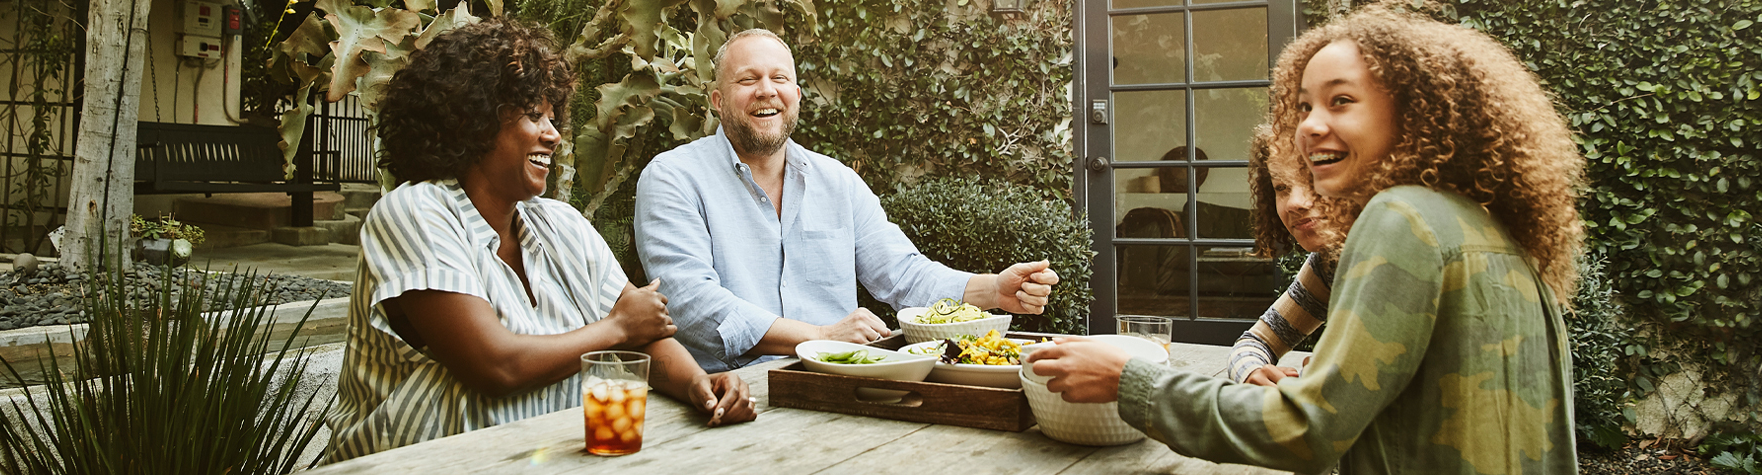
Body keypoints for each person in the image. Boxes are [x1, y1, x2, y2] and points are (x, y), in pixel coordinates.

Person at [1028, 7, 1583, 473]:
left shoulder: (1402, 218)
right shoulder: (1480, 223)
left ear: (1416, 108)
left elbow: (1305, 431)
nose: (1311, 125)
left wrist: (1129, 379)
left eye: (1340, 101)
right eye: (1304, 106)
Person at [322, 19, 754, 463]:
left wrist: (697, 384)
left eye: (553, 116)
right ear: (472, 120)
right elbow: (496, 365)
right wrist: (616, 328)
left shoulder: (560, 225)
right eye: (533, 115)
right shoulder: (415, 213)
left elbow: (644, 335)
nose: (552, 133)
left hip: (542, 460)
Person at [634, 29, 1061, 372]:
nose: (766, 90)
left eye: (779, 79)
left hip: (836, 385)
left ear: (796, 96)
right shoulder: (673, 177)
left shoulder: (837, 182)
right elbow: (690, 303)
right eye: (748, 80)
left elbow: (903, 274)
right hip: (722, 395)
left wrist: (994, 290)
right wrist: (818, 336)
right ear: (717, 101)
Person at [1226, 126, 1348, 387]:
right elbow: (1255, 341)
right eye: (1281, 187)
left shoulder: (1401, 257)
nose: (1294, 202)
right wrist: (1251, 372)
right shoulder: (1330, 263)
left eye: (1312, 179)